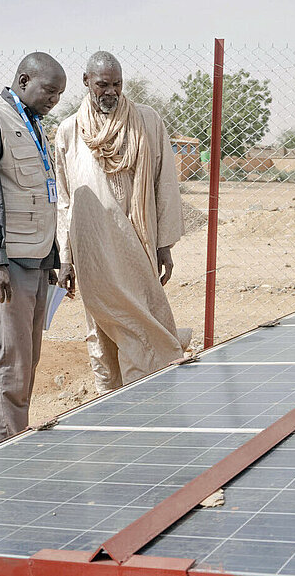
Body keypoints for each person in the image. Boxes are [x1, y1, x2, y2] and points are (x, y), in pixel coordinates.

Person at [53, 51, 187, 394]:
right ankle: (110, 399)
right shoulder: (69, 131)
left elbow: (164, 183)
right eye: (102, 85)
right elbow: (64, 199)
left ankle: (147, 398)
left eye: (117, 84)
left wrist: (164, 246)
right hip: (93, 251)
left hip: (137, 245)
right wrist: (65, 258)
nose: (110, 91)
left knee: (143, 318)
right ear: (86, 83)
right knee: (102, 328)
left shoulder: (147, 121)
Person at [0, 52, 66, 446]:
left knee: (27, 355)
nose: (54, 100)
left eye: (59, 94)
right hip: (6, 262)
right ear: (24, 80)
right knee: (11, 355)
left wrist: (51, 257)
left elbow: (42, 195)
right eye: (50, 91)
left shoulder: (32, 124)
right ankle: (8, 446)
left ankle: (3, 435)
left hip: (36, 258)